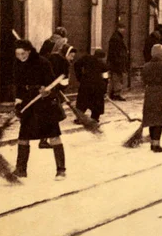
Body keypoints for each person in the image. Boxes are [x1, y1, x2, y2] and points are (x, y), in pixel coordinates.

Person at [13, 39, 67, 180]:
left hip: (45, 105)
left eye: (23, 53)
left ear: (29, 51)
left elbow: (53, 84)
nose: (20, 57)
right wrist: (18, 103)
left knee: (54, 136)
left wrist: (46, 91)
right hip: (28, 103)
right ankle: (21, 169)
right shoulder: (18, 64)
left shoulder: (43, 63)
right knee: (23, 137)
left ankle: (61, 170)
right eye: (17, 54)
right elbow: (19, 86)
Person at [40, 44, 76, 149]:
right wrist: (60, 87)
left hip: (44, 91)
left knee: (50, 116)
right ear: (66, 54)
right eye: (71, 56)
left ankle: (44, 139)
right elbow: (64, 83)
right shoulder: (64, 63)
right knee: (53, 116)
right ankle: (45, 140)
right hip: (52, 94)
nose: (72, 58)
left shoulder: (51, 58)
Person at [74, 49, 109, 123]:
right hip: (98, 85)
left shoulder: (86, 58)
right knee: (97, 103)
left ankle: (80, 118)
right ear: (102, 57)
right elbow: (105, 78)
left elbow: (76, 64)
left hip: (86, 83)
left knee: (82, 102)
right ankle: (95, 118)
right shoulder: (103, 64)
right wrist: (104, 89)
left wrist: (79, 76)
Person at [107, 23, 128, 101]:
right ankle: (116, 94)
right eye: (122, 28)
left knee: (114, 78)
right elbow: (115, 52)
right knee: (117, 77)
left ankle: (113, 94)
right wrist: (119, 61)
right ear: (119, 28)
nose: (124, 30)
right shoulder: (116, 38)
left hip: (115, 62)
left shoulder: (116, 37)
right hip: (116, 62)